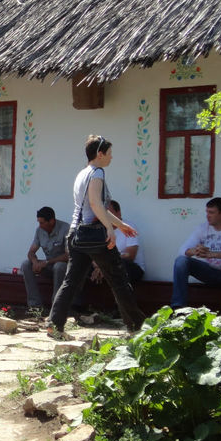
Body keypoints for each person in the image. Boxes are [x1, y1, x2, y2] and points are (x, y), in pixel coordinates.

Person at [47, 135, 146, 340]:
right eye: (109, 153)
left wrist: (121, 225)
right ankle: (136, 327)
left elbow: (96, 207)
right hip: (94, 235)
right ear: (99, 154)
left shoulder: (82, 173)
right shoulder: (98, 172)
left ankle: (54, 325)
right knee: (118, 279)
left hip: (76, 235)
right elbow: (95, 205)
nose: (111, 157)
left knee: (70, 281)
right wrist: (110, 229)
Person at [171, 197, 221, 312]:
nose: (208, 216)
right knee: (181, 261)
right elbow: (182, 250)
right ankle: (178, 307)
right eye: (207, 212)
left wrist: (212, 254)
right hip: (208, 272)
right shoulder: (202, 228)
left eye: (211, 213)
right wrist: (197, 251)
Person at [19, 206, 70, 311]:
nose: (40, 225)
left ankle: (57, 307)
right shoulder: (39, 231)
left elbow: (67, 255)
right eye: (39, 222)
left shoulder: (66, 229)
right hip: (48, 266)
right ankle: (35, 305)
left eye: (42, 223)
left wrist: (47, 262)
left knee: (59, 266)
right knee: (26, 264)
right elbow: (31, 252)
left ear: (51, 221)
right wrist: (35, 262)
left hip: (63, 268)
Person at [90, 199, 145, 286]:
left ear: (119, 213)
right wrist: (99, 265)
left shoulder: (128, 227)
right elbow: (93, 254)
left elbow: (130, 255)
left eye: (109, 214)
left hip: (130, 267)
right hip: (106, 266)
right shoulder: (99, 229)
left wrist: (105, 264)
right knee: (83, 265)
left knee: (120, 265)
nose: (106, 217)